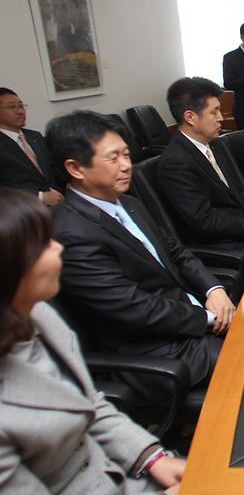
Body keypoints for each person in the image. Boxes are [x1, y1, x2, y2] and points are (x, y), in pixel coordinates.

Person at [0, 187, 185, 494]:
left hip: (120, 469)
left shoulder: (38, 315)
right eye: (42, 245)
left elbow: (90, 403)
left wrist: (151, 457)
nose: (58, 248)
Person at [46, 111, 233, 406]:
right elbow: (135, 309)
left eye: (126, 154)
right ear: (76, 168)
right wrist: (208, 318)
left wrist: (214, 289)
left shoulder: (127, 202)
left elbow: (176, 251)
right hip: (155, 352)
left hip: (184, 317)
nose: (126, 166)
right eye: (113, 158)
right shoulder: (73, 233)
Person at [158, 77, 244, 270]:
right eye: (214, 111)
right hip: (224, 246)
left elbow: (239, 192)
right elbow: (205, 221)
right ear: (190, 117)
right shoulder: (175, 162)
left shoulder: (215, 144)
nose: (221, 118)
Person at [0, 87, 64, 206]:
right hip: (24, 211)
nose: (20, 111)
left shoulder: (35, 136)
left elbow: (53, 168)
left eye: (20, 106)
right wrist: (38, 197)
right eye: (11, 107)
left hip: (59, 204)